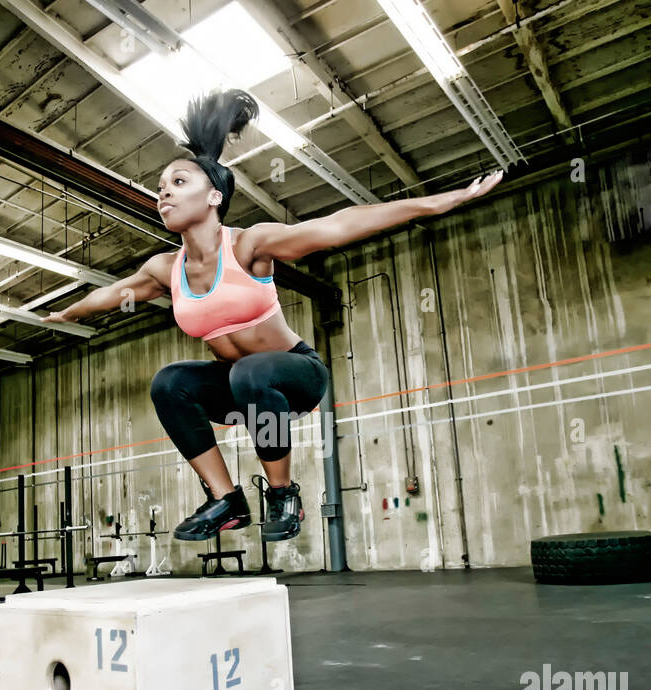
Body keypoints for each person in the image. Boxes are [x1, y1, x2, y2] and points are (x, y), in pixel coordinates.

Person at [46, 88, 502, 542]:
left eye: (179, 182)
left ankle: (282, 494)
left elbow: (338, 224)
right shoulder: (166, 269)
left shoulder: (249, 245)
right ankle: (225, 499)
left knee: (251, 371)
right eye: (161, 188)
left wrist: (437, 202)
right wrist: (68, 312)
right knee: (169, 383)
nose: (164, 192)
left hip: (295, 376)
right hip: (239, 391)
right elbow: (110, 295)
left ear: (213, 198)